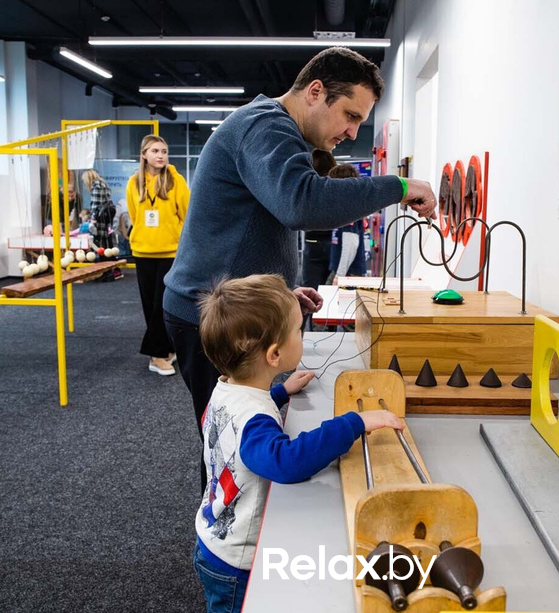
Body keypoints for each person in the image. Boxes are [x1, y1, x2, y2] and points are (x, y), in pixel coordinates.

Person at [163, 47, 436, 492]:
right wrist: (400, 186)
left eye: (360, 123)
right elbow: (301, 202)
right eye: (349, 115)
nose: (351, 132)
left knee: (241, 431)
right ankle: (223, 541)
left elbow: (260, 221)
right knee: (229, 443)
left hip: (232, 308)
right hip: (209, 316)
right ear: (315, 92)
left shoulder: (275, 130)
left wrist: (283, 294)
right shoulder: (265, 126)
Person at [194, 274, 404, 613]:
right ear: (275, 354)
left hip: (212, 537)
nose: (302, 335)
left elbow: (240, 425)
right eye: (298, 330)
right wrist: (354, 423)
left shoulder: (224, 389)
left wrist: (279, 392)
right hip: (235, 563)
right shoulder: (254, 421)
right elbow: (286, 461)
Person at [126, 135, 190, 376]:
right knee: (149, 304)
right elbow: (134, 215)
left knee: (161, 305)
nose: (161, 155)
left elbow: (187, 214)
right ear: (144, 155)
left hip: (170, 252)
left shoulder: (175, 180)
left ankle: (157, 355)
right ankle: (164, 349)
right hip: (142, 251)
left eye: (164, 150)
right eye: (155, 151)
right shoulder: (134, 182)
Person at [300, 149, 339, 330]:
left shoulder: (309, 187)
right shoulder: (335, 186)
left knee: (308, 296)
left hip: (312, 244)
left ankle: (301, 333)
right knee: (331, 295)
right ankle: (331, 333)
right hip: (333, 244)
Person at [327, 164, 368, 282]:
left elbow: (350, 245)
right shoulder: (346, 208)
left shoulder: (348, 210)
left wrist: (339, 276)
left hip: (349, 274)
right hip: (345, 272)